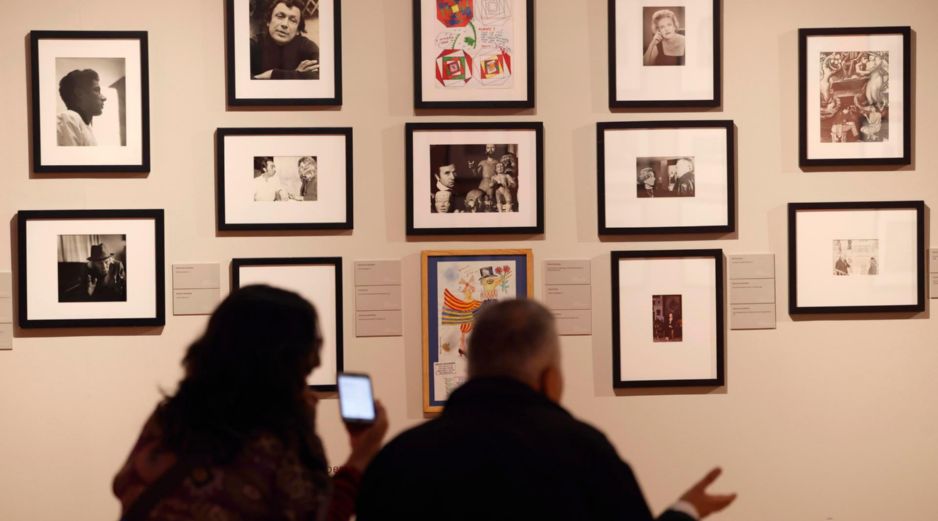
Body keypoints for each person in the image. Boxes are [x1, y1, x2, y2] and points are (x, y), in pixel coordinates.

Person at [357, 299, 736, 520]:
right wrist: (684, 511)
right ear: (550, 378)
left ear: (471, 370)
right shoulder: (585, 452)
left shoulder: (400, 458)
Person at [113, 285, 389, 521]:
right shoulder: (272, 446)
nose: (316, 362)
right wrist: (361, 454)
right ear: (278, 362)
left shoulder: (167, 422)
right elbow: (319, 513)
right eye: (308, 352)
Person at [251, 0, 320, 79]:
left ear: (298, 30)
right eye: (280, 16)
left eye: (293, 20)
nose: (285, 24)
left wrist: (271, 74)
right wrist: (295, 74)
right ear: (268, 21)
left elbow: (322, 75)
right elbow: (242, 80)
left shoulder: (306, 46)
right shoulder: (253, 44)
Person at [57, 69, 106, 146]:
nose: (104, 98)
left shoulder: (84, 127)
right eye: (96, 90)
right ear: (79, 93)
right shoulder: (70, 117)